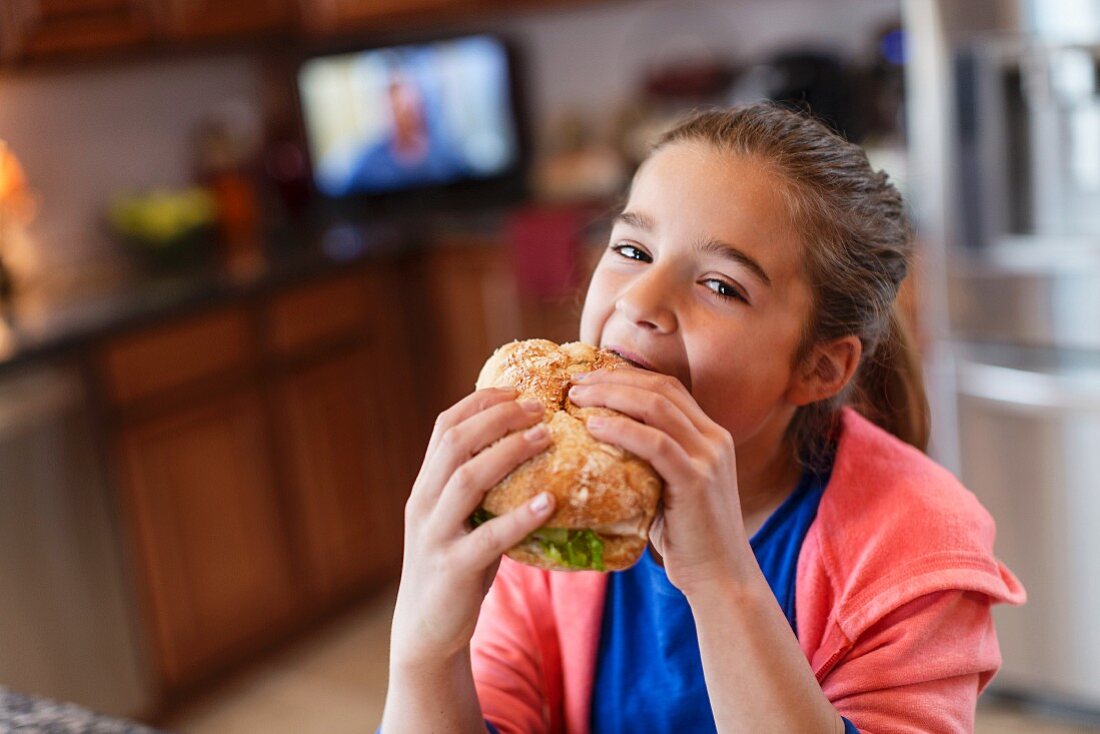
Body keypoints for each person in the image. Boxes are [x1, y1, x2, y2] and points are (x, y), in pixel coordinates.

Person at [380, 102, 1025, 733]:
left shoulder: (919, 553)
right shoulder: (554, 503)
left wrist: (722, 581)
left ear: (820, 368)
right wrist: (423, 654)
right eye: (632, 250)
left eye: (721, 286)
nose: (641, 301)